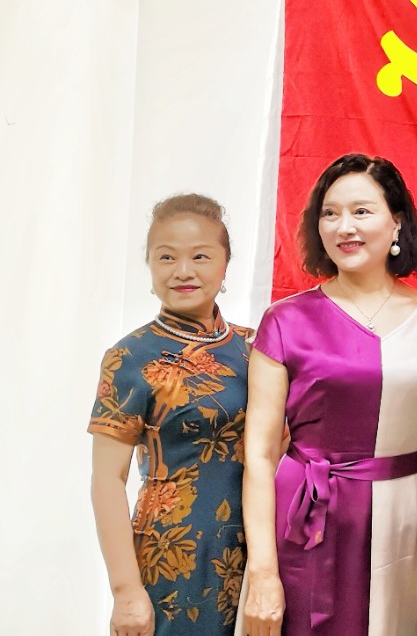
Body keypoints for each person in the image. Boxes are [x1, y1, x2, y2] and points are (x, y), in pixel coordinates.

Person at [239, 153, 417, 636]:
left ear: (397, 221)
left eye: (362, 211)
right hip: (303, 516)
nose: (344, 227)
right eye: (330, 213)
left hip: (400, 521)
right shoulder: (285, 320)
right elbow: (258, 454)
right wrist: (262, 571)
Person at [90, 194, 253, 636]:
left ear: (225, 265)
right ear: (149, 266)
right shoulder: (130, 357)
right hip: (173, 555)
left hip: (259, 554)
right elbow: (107, 481)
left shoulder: (257, 348)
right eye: (166, 257)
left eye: (200, 256)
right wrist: (126, 591)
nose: (183, 271)